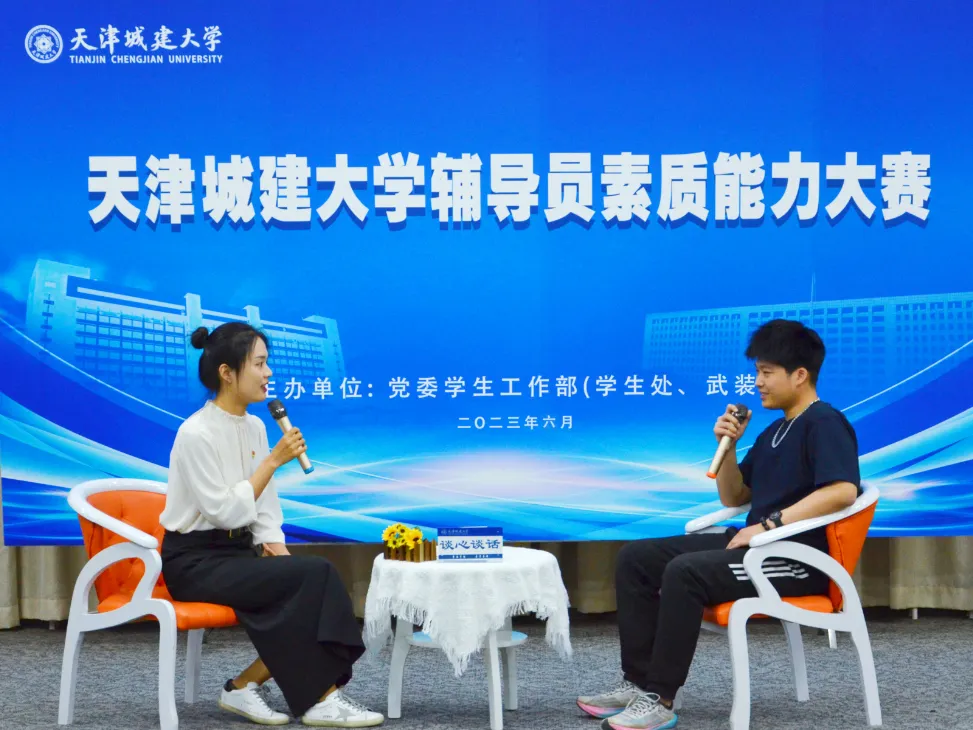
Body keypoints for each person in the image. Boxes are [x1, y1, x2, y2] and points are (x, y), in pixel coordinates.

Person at [577, 319, 862, 730]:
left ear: (800, 375)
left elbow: (842, 491)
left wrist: (768, 526)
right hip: (755, 547)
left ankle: (660, 698)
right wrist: (727, 448)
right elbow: (735, 496)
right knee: (635, 558)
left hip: (796, 561)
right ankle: (636, 682)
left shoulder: (825, 423)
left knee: (685, 572)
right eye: (757, 371)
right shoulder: (776, 431)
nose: (758, 382)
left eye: (767, 372)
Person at [160, 322, 384, 727]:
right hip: (194, 562)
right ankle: (321, 700)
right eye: (259, 364)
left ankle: (244, 686)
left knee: (310, 579)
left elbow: (264, 506)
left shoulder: (255, 426)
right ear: (227, 373)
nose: (268, 373)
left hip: (238, 552)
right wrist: (273, 461)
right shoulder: (194, 433)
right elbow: (224, 512)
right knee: (315, 573)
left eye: (267, 363)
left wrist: (274, 544)